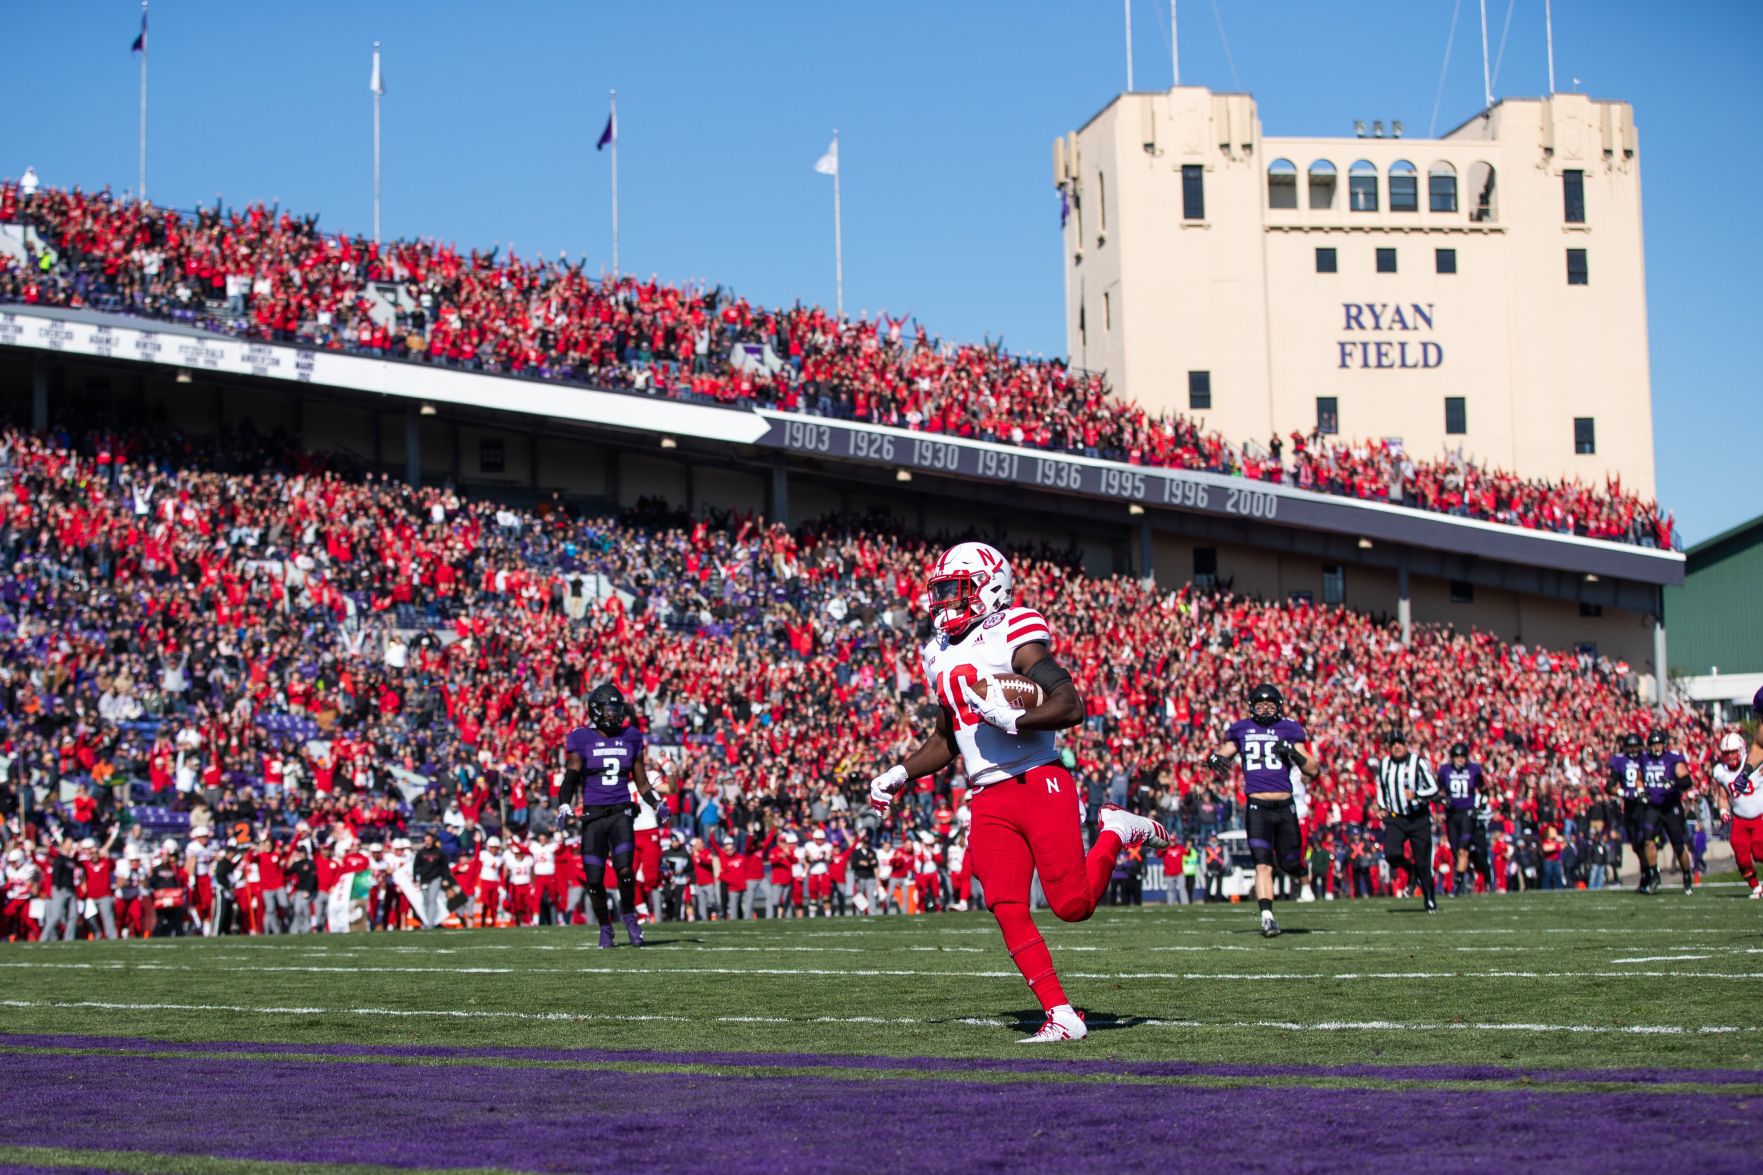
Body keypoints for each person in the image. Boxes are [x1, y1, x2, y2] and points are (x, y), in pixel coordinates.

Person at [867, 541, 1165, 1044]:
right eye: (939, 592)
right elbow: (946, 738)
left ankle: (1116, 830)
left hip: (1038, 780)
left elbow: (1070, 704)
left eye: (955, 591)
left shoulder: (1014, 629)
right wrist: (900, 772)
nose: (943, 602)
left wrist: (1018, 717)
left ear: (989, 588)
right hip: (986, 794)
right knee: (1005, 902)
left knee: (1072, 905)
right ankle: (1062, 1014)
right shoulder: (935, 652)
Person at [1206, 682, 1321, 937]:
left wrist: (1292, 751)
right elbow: (1222, 753)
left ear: (1279, 707)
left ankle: (1301, 873)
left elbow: (1312, 770)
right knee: (1262, 864)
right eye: (1261, 704)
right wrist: (1213, 758)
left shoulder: (1289, 728)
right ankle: (1267, 917)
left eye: (1270, 704)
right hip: (1257, 806)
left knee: (1290, 861)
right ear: (1252, 707)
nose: (1266, 709)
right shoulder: (1241, 729)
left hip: (1285, 805)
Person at [558, 682, 665, 948]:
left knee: (626, 871)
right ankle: (605, 926)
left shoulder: (631, 736)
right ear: (595, 709)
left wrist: (657, 804)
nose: (613, 713)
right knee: (594, 881)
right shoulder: (581, 738)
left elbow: (642, 783)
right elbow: (571, 776)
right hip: (593, 815)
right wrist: (563, 804)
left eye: (616, 708)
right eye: (608, 708)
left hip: (621, 812)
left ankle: (629, 917)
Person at [1370, 730, 1442, 913]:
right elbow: (1381, 787)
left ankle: (1429, 898)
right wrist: (1380, 806)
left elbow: (1434, 789)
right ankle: (1410, 870)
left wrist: (1416, 794)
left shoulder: (1417, 762)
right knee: (1391, 853)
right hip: (1396, 817)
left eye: (1399, 742)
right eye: (1393, 743)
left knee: (1423, 861)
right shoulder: (1385, 764)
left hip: (1419, 818)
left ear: (1405, 744)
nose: (1396, 746)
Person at [1638, 729, 1695, 895]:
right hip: (1653, 806)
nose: (1656, 747)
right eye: (1654, 744)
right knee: (1648, 841)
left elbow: (1687, 780)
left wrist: (1674, 784)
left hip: (1671, 807)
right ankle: (1654, 875)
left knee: (1678, 846)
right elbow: (1640, 779)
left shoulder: (1672, 759)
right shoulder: (1645, 759)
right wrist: (1641, 792)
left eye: (1659, 743)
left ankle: (1686, 875)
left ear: (1664, 745)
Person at [1711, 732, 1762, 899]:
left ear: (1741, 750)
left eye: (1733, 752)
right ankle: (1756, 887)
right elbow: (1723, 795)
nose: (1730, 756)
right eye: (1727, 753)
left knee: (1759, 850)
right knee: (1741, 855)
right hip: (1740, 819)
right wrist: (1723, 811)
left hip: (1760, 816)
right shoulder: (1721, 771)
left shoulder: (1754, 763)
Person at [1439, 743, 1487, 896]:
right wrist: (1442, 801)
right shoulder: (1444, 770)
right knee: (1455, 851)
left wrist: (1479, 807)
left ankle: (1456, 886)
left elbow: (1484, 790)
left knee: (1462, 850)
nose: (1459, 760)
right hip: (1452, 814)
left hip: (1467, 813)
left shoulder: (1474, 770)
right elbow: (1437, 790)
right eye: (1456, 756)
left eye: (1462, 756)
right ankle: (1466, 871)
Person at [1606, 733, 1648, 890]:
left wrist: (1643, 791)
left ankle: (1649, 873)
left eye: (1635, 747)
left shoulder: (1645, 759)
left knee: (1646, 841)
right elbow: (1610, 784)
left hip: (1644, 805)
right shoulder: (1619, 760)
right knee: (1636, 844)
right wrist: (1622, 793)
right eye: (1630, 747)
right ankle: (1646, 872)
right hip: (1629, 806)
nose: (1633, 750)